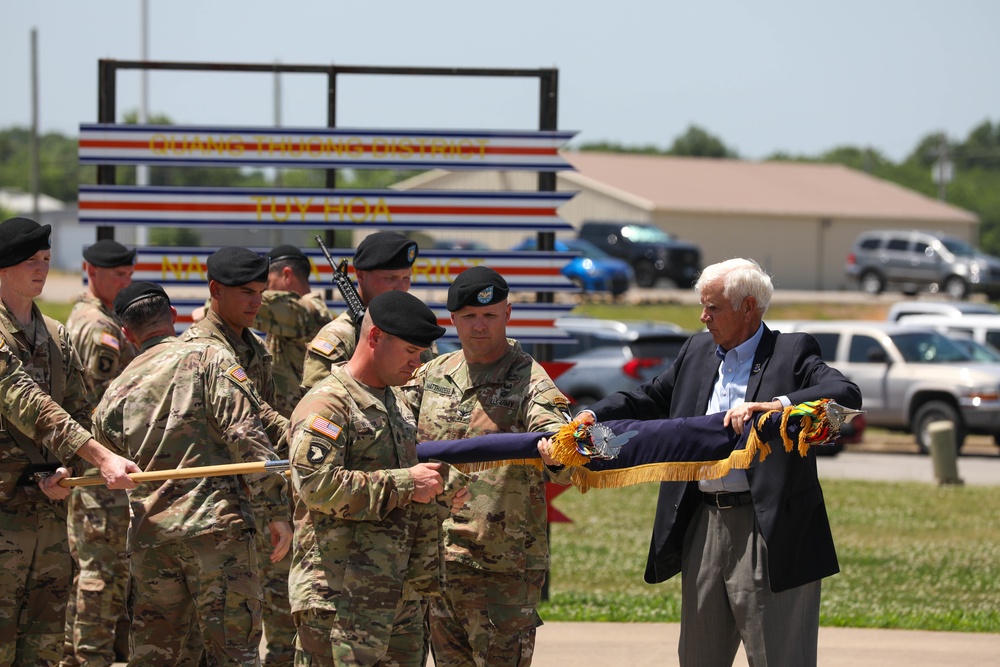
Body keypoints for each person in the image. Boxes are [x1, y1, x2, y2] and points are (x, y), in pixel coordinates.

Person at [581, 258, 863, 667]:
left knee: (779, 657)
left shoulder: (792, 351)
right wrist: (592, 415)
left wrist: (778, 405)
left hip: (768, 529)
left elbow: (844, 392)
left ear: (748, 308)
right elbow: (649, 398)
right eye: (702, 306)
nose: (703, 316)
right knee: (698, 657)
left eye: (713, 307)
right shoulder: (696, 350)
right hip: (703, 523)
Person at [92, 281, 293, 666]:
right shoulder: (209, 357)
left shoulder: (114, 394)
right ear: (174, 317)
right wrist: (276, 508)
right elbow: (245, 434)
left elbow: (107, 459)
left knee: (157, 657)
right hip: (217, 533)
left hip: (153, 541)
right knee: (234, 655)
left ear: (126, 334)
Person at [402, 266, 573, 667]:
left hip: (501, 567)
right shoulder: (431, 374)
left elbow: (558, 442)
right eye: (469, 317)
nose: (479, 327)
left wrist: (557, 451)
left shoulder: (530, 379)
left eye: (490, 316)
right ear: (452, 320)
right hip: (438, 559)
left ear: (508, 314)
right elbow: (392, 431)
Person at [288, 290, 469, 666]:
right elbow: (316, 486)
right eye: (409, 352)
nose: (416, 364)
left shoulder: (396, 402)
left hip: (398, 595)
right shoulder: (328, 403)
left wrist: (442, 487)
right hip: (340, 597)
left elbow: (404, 468)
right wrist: (407, 484)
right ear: (374, 339)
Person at [0, 216, 139, 667]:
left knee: (42, 645)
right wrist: (101, 459)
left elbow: (81, 413)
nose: (41, 269)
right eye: (30, 262)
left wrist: (69, 470)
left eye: (45, 259)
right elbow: (27, 402)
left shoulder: (57, 337)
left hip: (47, 510)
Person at [179, 246, 294, 665]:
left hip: (245, 511)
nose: (255, 302)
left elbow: (265, 421)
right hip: (203, 513)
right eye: (245, 291)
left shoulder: (255, 349)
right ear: (215, 290)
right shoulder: (197, 350)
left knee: (239, 633)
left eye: (261, 292)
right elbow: (243, 431)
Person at [62, 239, 137, 667]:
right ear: (91, 270)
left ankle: (82, 652)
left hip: (103, 462)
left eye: (128, 274)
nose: (124, 282)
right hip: (99, 464)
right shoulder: (99, 328)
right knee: (100, 573)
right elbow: (97, 402)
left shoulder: (97, 316)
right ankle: (87, 656)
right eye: (117, 275)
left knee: (105, 570)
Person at [301, 231, 428, 391]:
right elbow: (317, 401)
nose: (401, 288)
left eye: (406, 278)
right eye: (390, 279)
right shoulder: (337, 339)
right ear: (360, 276)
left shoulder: (414, 331)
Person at [254, 244, 333, 418]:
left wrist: (212, 305)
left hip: (300, 420)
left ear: (286, 275)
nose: (264, 291)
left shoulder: (307, 311)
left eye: (267, 283)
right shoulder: (293, 317)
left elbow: (248, 305)